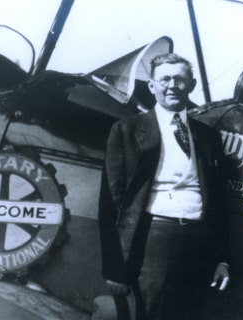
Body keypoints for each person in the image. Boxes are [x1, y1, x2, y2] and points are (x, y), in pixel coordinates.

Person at [98, 53, 232, 319]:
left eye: (180, 79)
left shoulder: (207, 136)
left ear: (192, 85)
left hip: (198, 243)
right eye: (165, 79)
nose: (172, 85)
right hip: (153, 239)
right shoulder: (126, 130)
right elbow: (111, 201)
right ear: (152, 86)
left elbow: (218, 202)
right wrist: (114, 268)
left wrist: (221, 259)